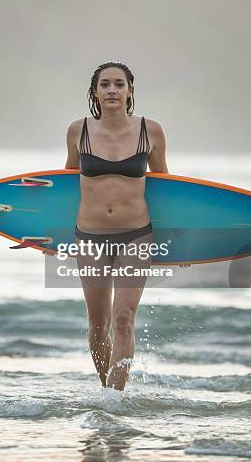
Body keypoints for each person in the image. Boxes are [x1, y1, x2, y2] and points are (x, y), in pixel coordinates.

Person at [63, 61, 188, 392]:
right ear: (95, 92)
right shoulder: (79, 131)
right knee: (97, 323)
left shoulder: (151, 130)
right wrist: (41, 236)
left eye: (119, 84)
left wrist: (181, 243)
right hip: (89, 237)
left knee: (123, 320)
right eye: (105, 85)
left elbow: (164, 187)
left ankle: (115, 400)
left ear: (130, 90)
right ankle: (107, 390)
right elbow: (63, 185)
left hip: (136, 235)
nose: (112, 90)